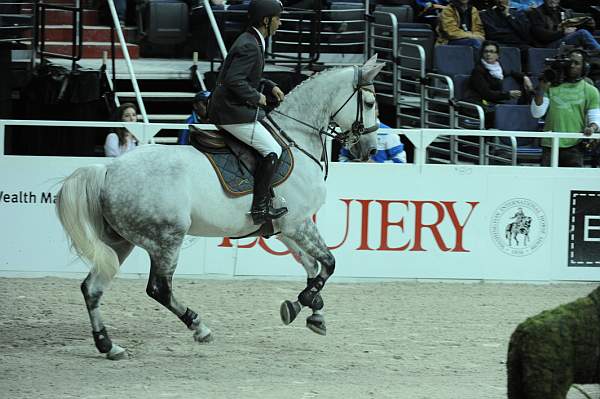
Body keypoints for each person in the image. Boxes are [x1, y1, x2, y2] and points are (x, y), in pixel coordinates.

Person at [207, 0, 288, 225]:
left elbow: (247, 75)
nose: (280, 23)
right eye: (278, 19)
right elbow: (234, 80)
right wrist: (256, 97)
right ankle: (259, 209)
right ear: (266, 20)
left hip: (232, 108)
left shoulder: (252, 40)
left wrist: (269, 85)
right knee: (272, 150)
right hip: (230, 113)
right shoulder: (249, 44)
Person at [530, 48, 600, 167]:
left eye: (577, 63)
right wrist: (541, 88)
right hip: (550, 143)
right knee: (547, 182)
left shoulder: (590, 90)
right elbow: (537, 113)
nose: (572, 65)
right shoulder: (550, 86)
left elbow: (596, 118)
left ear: (584, 67)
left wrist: (592, 128)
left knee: (573, 183)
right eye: (570, 62)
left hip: (574, 144)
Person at [464, 40, 534, 127]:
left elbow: (511, 72)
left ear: (497, 55)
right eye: (486, 51)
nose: (488, 54)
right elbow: (486, 93)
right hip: (478, 103)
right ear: (482, 53)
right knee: (507, 113)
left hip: (492, 103)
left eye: (492, 52)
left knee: (515, 112)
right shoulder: (478, 71)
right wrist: (508, 95)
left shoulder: (498, 69)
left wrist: (525, 77)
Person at [339, 108, 407, 163]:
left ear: (377, 111)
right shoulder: (352, 132)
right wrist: (352, 165)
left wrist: (376, 166)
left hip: (382, 178)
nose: (367, 112)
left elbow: (401, 160)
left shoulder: (388, 133)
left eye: (371, 108)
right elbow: (343, 157)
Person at [527, 0, 600, 51]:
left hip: (561, 40)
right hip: (546, 46)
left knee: (594, 33)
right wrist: (563, 32)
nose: (552, 0)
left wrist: (590, 26)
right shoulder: (536, 13)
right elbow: (541, 35)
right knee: (582, 33)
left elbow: (574, 28)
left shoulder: (561, 11)